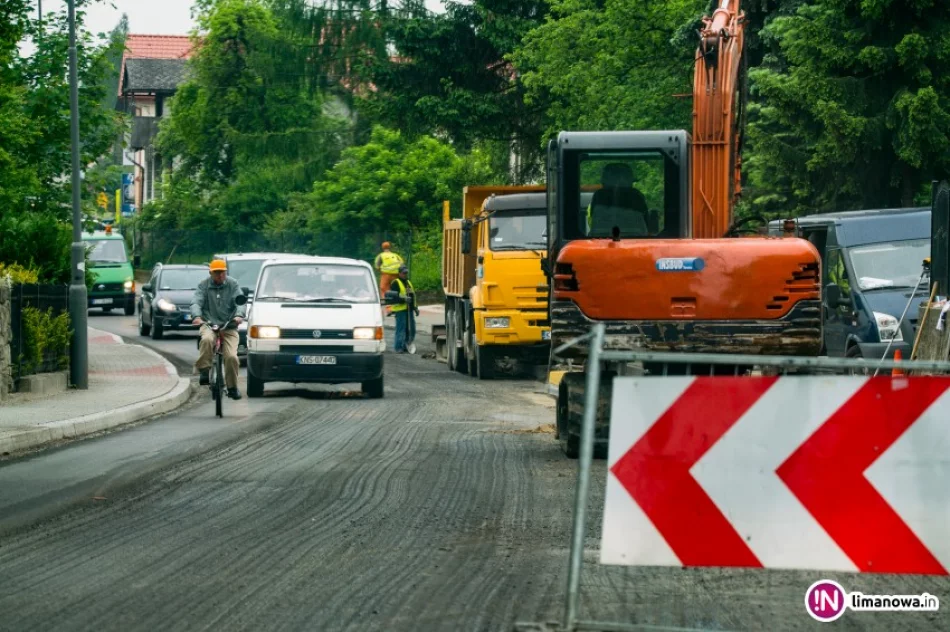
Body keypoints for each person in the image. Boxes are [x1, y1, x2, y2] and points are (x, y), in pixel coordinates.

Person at [191, 259, 246, 399]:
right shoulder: (203, 285)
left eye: (222, 272)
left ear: (226, 272)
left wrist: (239, 315)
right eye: (217, 273)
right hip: (209, 323)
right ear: (211, 273)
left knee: (232, 357)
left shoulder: (233, 284)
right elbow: (196, 302)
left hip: (229, 326)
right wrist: (197, 316)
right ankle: (204, 369)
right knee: (207, 340)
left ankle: (232, 387)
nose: (220, 275)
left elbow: (240, 301)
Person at [586, 163, 649, 237]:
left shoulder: (599, 195)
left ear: (604, 180)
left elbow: (593, 218)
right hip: (637, 241)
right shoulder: (636, 195)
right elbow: (646, 221)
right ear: (629, 180)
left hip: (600, 240)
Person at [389, 264, 419, 353]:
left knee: (411, 328)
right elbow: (393, 298)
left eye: (406, 273)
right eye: (403, 273)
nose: (405, 274)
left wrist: (415, 307)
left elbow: (412, 295)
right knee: (401, 329)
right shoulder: (395, 283)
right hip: (400, 310)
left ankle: (407, 344)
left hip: (409, 309)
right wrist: (403, 299)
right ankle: (398, 347)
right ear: (399, 273)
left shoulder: (408, 283)